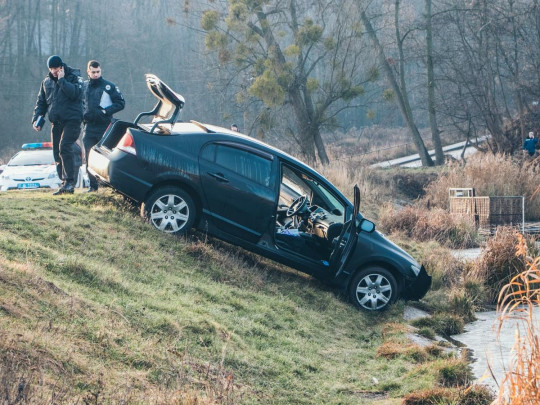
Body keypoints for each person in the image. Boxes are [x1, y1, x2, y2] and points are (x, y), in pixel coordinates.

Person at [32, 55, 83, 195]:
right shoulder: (46, 82)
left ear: (61, 67)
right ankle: (64, 182)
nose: (54, 71)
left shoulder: (74, 77)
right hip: (56, 122)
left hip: (72, 120)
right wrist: (37, 119)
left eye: (56, 68)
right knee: (57, 153)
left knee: (65, 147)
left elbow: (75, 94)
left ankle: (69, 182)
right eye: (52, 68)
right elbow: (41, 103)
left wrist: (62, 80)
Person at [82, 60, 125, 192]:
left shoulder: (108, 86)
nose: (96, 74)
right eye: (93, 72)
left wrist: (106, 111)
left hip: (105, 126)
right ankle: (93, 186)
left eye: (98, 72)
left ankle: (110, 185)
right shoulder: (83, 86)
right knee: (89, 156)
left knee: (106, 156)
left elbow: (121, 103)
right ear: (88, 72)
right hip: (89, 127)